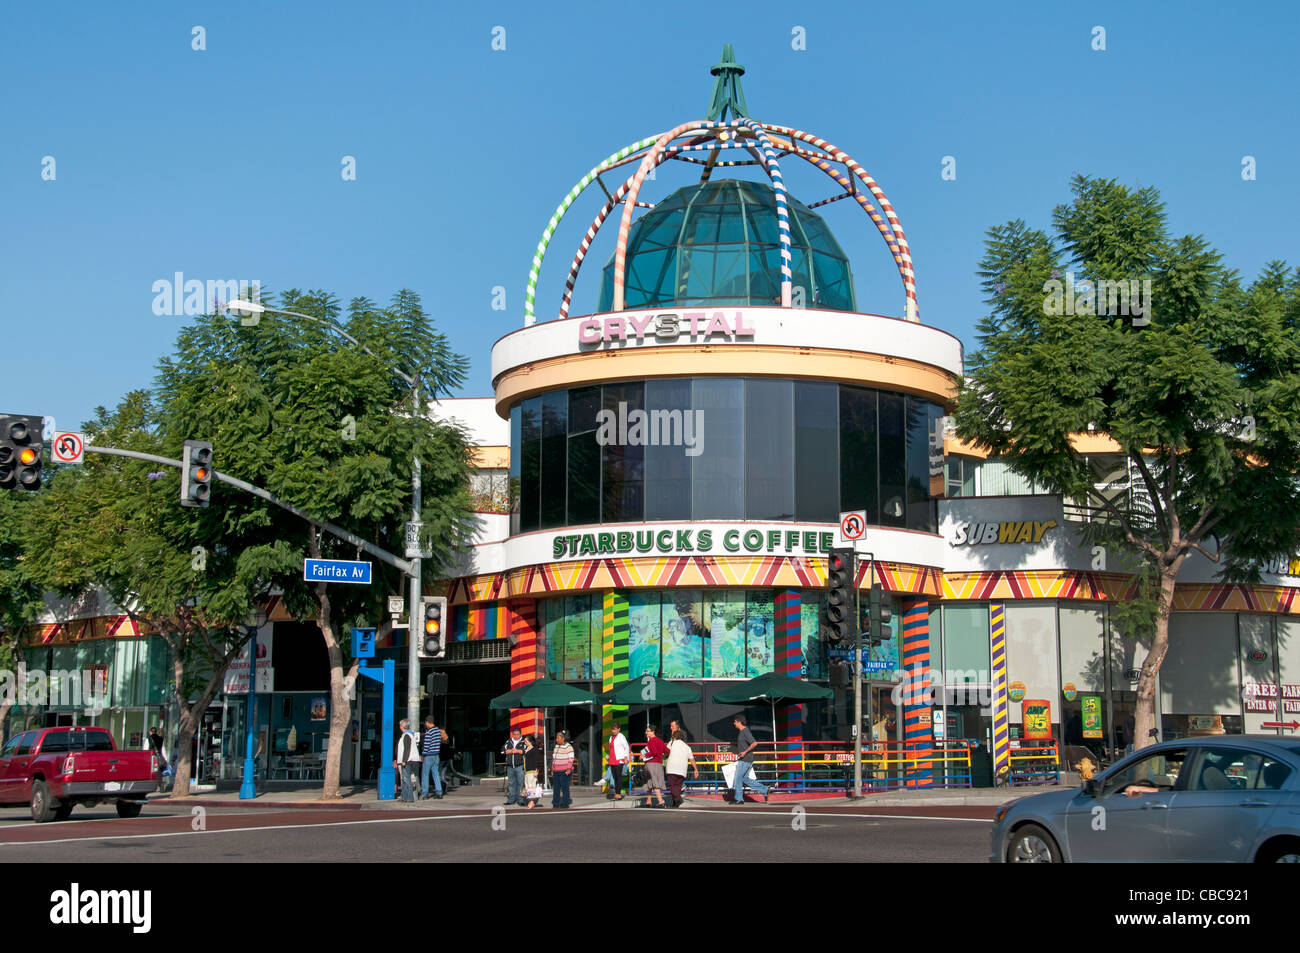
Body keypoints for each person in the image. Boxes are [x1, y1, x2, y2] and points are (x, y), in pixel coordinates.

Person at [731, 715, 769, 805]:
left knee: (738, 779)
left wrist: (744, 752)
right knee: (745, 779)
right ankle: (765, 789)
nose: (734, 724)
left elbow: (754, 743)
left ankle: (739, 799)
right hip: (746, 759)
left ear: (739, 722)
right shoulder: (743, 732)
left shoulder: (745, 731)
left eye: (735, 722)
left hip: (745, 759)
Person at [664, 729, 698, 808]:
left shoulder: (671, 743)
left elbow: (666, 752)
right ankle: (675, 803)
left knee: (672, 785)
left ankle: (678, 799)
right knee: (678, 786)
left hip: (672, 768)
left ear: (674, 736)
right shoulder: (687, 747)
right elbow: (692, 759)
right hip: (682, 769)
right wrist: (695, 769)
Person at [640, 725, 669, 807]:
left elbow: (654, 752)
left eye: (648, 731)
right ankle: (648, 801)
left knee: (653, 782)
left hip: (651, 764)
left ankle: (660, 801)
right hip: (659, 764)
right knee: (652, 782)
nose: (646, 732)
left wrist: (644, 755)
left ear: (653, 732)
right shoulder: (660, 741)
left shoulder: (651, 741)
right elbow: (667, 751)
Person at [394, 719, 422, 803]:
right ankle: (405, 797)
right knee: (405, 779)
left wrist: (404, 760)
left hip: (408, 760)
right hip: (410, 759)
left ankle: (409, 797)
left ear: (402, 726)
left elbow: (407, 749)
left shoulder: (407, 736)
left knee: (406, 779)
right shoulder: (408, 735)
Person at [421, 716, 443, 800]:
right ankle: (439, 791)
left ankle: (425, 793)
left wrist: (423, 755)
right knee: (436, 774)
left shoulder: (429, 732)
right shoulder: (438, 731)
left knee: (425, 774)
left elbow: (427, 745)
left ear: (427, 722)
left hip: (429, 755)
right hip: (436, 755)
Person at [502, 727, 526, 806]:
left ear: (520, 734)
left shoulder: (523, 742)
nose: (516, 736)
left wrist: (518, 751)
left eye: (517, 734)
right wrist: (507, 751)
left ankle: (520, 799)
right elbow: (502, 750)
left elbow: (527, 751)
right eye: (514, 734)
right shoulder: (509, 741)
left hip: (519, 765)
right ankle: (511, 799)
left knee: (520, 783)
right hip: (510, 766)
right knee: (511, 783)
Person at [551, 730, 575, 808]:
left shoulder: (568, 747)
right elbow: (554, 758)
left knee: (565, 787)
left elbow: (571, 759)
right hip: (556, 770)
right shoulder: (556, 746)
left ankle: (565, 803)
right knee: (556, 788)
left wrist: (568, 769)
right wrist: (552, 768)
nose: (556, 740)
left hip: (565, 771)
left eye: (558, 738)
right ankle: (556, 803)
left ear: (563, 738)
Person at [606, 723, 630, 800]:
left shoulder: (621, 737)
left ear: (618, 729)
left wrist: (626, 757)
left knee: (618, 776)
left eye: (615, 729)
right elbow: (611, 748)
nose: (613, 731)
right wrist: (608, 756)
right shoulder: (611, 737)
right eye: (612, 729)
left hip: (619, 759)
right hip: (612, 758)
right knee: (614, 776)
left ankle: (618, 793)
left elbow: (626, 747)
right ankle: (617, 792)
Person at [522, 734, 544, 809]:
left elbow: (536, 760)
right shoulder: (527, 749)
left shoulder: (534, 749)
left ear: (530, 741)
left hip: (532, 770)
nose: (525, 742)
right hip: (527, 771)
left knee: (532, 787)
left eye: (526, 741)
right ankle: (530, 802)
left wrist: (536, 770)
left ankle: (531, 802)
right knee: (528, 786)